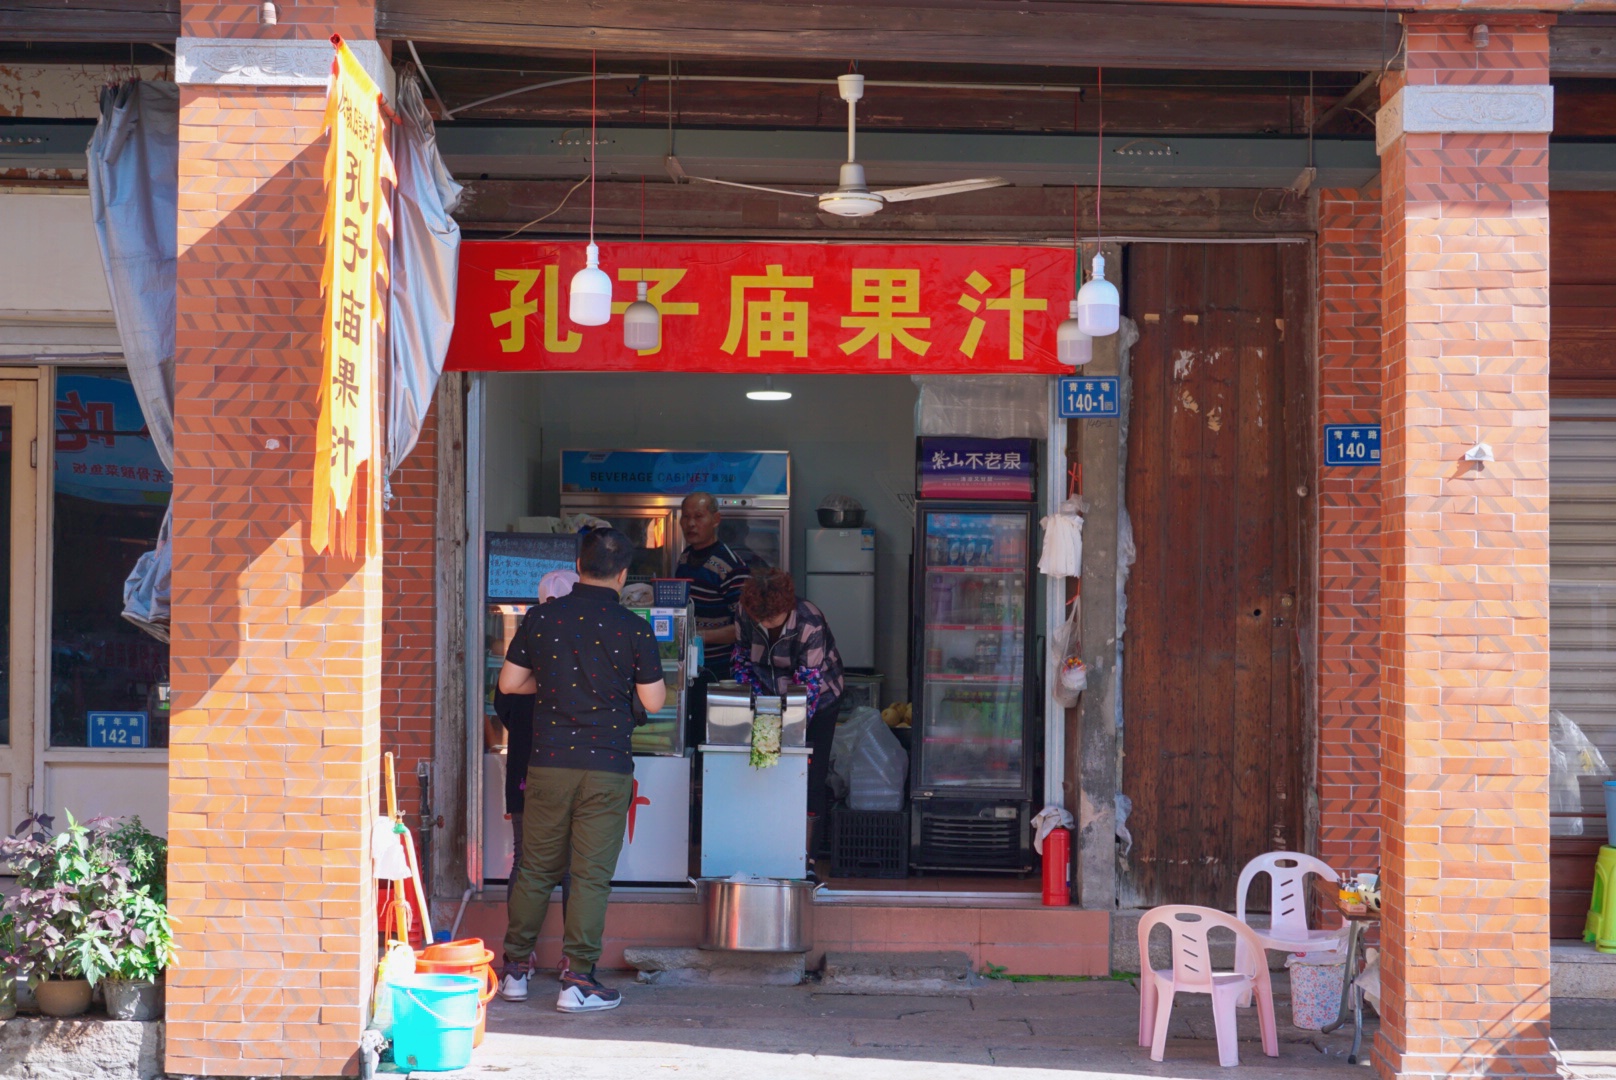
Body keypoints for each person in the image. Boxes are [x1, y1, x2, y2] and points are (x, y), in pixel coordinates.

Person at [496, 529, 666, 1013]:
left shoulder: (542, 618)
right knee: (589, 875)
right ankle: (576, 981)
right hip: (606, 767)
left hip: (549, 763)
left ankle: (515, 972)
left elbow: (509, 683)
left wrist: (555, 685)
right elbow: (654, 700)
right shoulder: (633, 627)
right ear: (623, 575)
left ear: (578, 566)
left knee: (535, 868)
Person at [731, 568, 845, 864]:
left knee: (809, 774)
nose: (765, 623)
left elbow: (807, 685)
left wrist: (788, 731)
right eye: (760, 618)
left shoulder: (809, 621)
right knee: (765, 766)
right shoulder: (745, 613)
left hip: (818, 699)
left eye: (772, 618)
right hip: (767, 693)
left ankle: (805, 858)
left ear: (786, 606)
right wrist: (760, 709)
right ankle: (768, 848)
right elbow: (742, 660)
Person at [499, 568, 578, 877]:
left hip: (526, 762)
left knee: (525, 856)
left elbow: (503, 701)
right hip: (575, 764)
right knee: (574, 862)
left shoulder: (529, 632)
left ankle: (522, 914)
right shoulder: (587, 641)